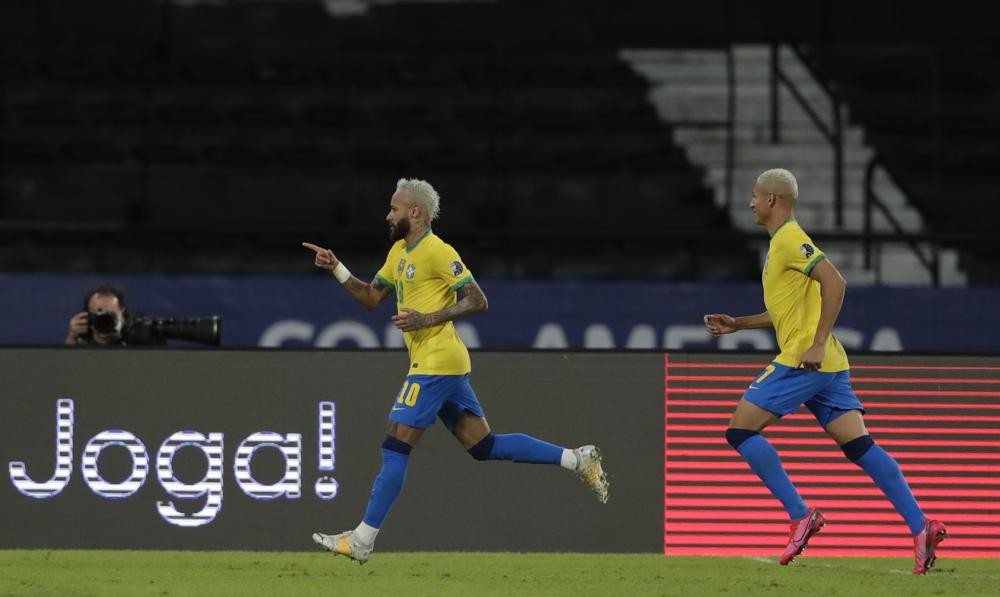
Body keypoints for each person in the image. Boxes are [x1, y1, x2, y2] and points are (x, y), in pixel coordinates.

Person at [303, 178, 609, 563]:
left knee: (395, 442)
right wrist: (337, 268)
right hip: (443, 363)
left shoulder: (437, 251)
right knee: (483, 446)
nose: (388, 215)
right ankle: (577, 459)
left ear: (415, 212)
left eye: (394, 209)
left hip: (437, 362)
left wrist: (428, 318)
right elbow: (370, 298)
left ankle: (363, 540)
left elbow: (478, 299)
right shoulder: (399, 252)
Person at [702, 168, 946, 575]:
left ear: (772, 200)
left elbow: (835, 282)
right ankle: (921, 527)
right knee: (860, 446)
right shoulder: (783, 243)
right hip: (829, 363)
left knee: (740, 430)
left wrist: (815, 342)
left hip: (806, 358)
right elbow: (786, 310)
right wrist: (738, 324)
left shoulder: (789, 239)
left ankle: (800, 515)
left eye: (756, 196)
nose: (751, 203)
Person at [65, 284, 130, 346]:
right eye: (99, 315)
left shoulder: (132, 331)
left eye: (111, 315)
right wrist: (72, 337)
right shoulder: (84, 337)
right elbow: (69, 354)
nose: (104, 321)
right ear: (89, 316)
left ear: (122, 313)